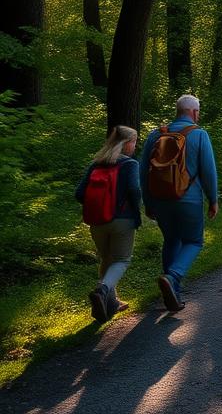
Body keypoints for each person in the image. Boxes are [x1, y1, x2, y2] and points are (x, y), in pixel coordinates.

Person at [140, 94, 218, 312]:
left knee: (171, 240)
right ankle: (172, 277)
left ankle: (173, 292)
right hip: (188, 198)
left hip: (160, 199)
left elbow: (143, 172)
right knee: (194, 241)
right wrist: (213, 199)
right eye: (198, 112)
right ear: (194, 113)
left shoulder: (155, 135)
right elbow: (208, 172)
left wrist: (148, 201)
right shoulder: (199, 135)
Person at [76, 125, 141, 322]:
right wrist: (136, 208)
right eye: (134, 142)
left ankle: (112, 302)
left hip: (97, 221)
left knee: (107, 259)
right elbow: (134, 191)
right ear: (127, 143)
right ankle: (102, 290)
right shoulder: (130, 165)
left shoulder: (96, 164)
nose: (135, 146)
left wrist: (98, 206)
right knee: (121, 260)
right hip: (122, 220)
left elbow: (79, 194)